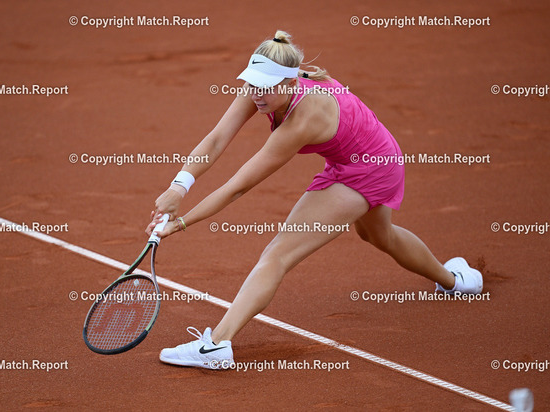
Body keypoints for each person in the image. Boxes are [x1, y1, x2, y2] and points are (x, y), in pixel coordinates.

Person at [145, 30, 483, 369]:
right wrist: (178, 187)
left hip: (372, 168)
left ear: (290, 83)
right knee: (380, 236)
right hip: (365, 154)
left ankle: (216, 345)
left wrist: (182, 222)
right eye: (253, 83)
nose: (256, 93)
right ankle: (456, 282)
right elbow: (217, 139)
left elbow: (239, 186)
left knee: (277, 254)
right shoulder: (266, 86)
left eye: (265, 87)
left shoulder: (303, 119)